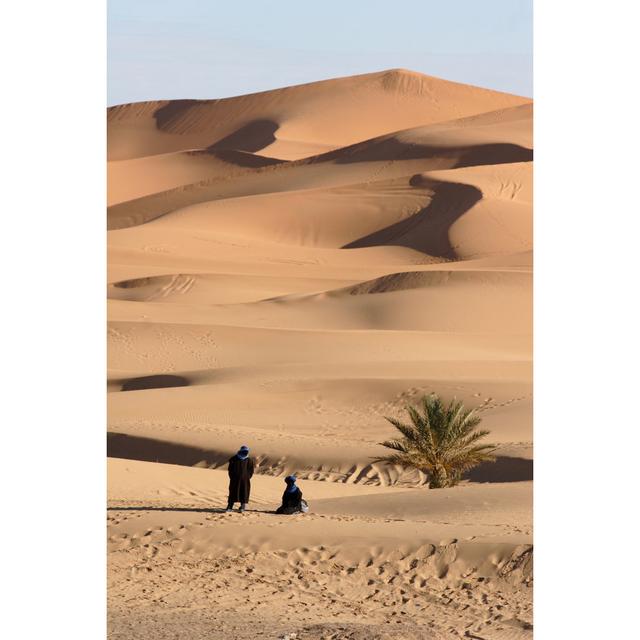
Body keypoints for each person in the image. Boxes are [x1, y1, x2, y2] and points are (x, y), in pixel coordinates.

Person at [226, 445, 254, 512]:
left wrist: (247, 477)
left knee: (244, 492)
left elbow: (251, 470)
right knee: (233, 492)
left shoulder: (249, 460)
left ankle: (242, 507)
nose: (245, 452)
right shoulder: (234, 459)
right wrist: (232, 477)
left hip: (245, 481)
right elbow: (230, 469)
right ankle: (230, 507)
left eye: (246, 451)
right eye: (243, 451)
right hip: (234, 480)